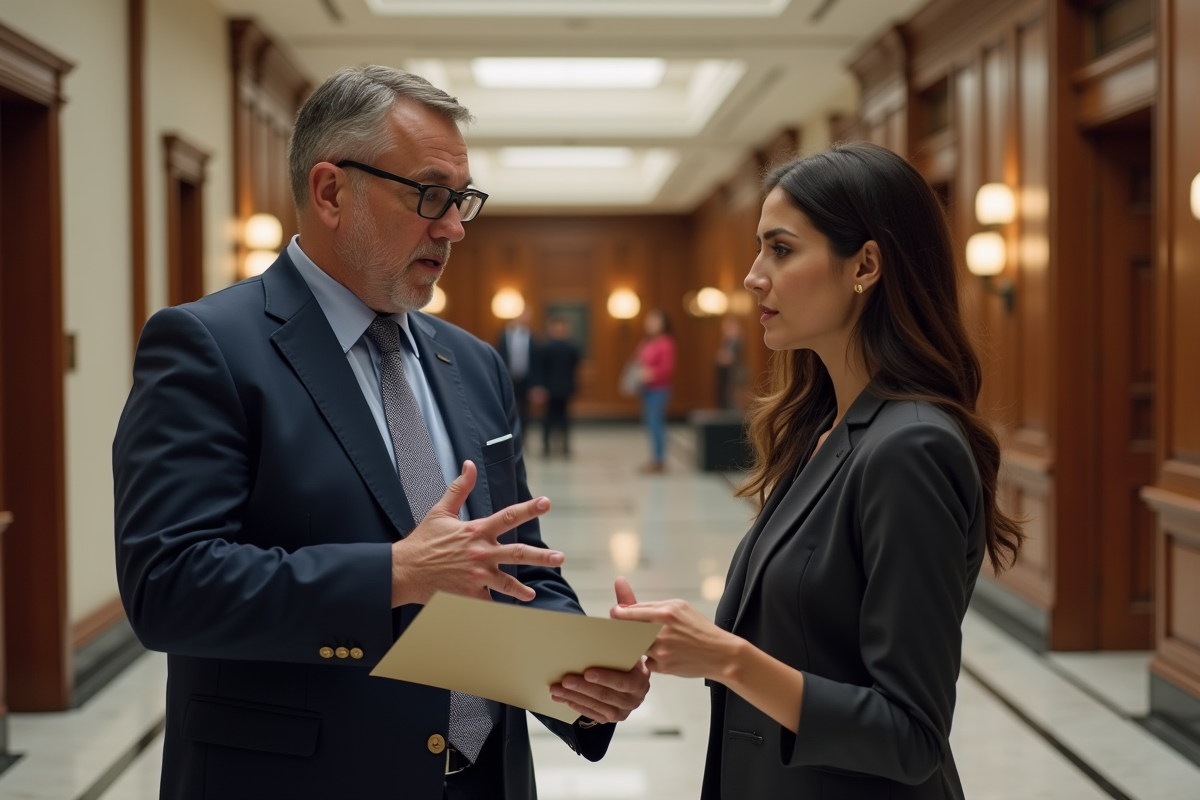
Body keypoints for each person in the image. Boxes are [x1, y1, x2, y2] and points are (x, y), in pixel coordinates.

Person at [113, 66, 648, 800]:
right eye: (430, 194)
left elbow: (510, 565)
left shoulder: (474, 364)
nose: (453, 227)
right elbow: (167, 586)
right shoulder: (210, 347)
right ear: (331, 191)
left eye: (462, 200)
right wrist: (393, 573)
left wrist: (581, 678)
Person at [609, 142, 1023, 799]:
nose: (753, 277)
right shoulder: (824, 428)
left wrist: (726, 657)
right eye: (759, 249)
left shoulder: (912, 448)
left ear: (865, 265)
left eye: (780, 249)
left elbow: (910, 735)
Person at [635, 308, 675, 473]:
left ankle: (659, 460)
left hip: (659, 389)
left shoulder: (666, 342)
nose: (651, 324)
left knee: (655, 422)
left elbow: (667, 368)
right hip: (646, 389)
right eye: (649, 320)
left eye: (655, 321)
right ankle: (655, 457)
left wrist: (651, 373)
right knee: (650, 423)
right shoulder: (648, 341)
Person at [533, 317, 580, 456]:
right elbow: (540, 369)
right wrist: (539, 386)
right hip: (550, 388)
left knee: (563, 417)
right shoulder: (545, 348)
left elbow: (574, 365)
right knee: (548, 417)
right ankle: (547, 445)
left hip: (563, 387)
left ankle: (564, 445)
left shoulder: (570, 347)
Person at [496, 307, 537, 435]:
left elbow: (535, 360)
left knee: (525, 409)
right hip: (508, 378)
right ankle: (509, 434)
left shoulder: (531, 336)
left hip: (526, 379)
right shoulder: (504, 336)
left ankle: (523, 435)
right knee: (508, 407)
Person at [714, 315, 746, 410]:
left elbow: (732, 357)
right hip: (727, 373)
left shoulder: (737, 341)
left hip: (735, 373)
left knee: (733, 397)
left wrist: (722, 357)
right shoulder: (727, 341)